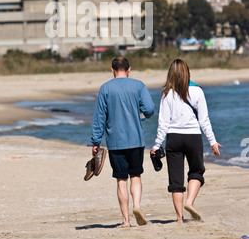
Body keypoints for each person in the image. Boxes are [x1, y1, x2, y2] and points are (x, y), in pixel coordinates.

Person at [151, 58, 222, 223]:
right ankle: (189, 202)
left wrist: (157, 144)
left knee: (175, 180)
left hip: (173, 138)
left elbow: (163, 123)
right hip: (193, 137)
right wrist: (212, 141)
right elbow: (204, 120)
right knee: (196, 171)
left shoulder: (166, 94)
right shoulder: (198, 91)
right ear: (187, 73)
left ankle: (179, 218)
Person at [91, 56, 155, 227]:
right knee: (136, 175)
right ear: (129, 69)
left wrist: (95, 141)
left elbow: (99, 118)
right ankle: (138, 206)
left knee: (121, 180)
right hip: (136, 140)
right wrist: (139, 114)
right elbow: (149, 109)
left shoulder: (105, 88)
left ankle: (126, 220)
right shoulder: (138, 85)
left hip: (115, 142)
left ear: (112, 70)